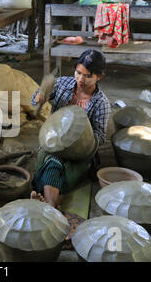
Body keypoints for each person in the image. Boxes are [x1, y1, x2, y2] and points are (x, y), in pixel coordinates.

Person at [30, 49, 111, 210]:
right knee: (52, 159)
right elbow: (35, 101)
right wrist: (39, 96)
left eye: (87, 76)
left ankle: (48, 204)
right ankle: (54, 202)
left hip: (80, 154)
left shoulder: (101, 103)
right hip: (54, 143)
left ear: (99, 76)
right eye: (78, 72)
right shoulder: (62, 84)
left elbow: (100, 136)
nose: (81, 79)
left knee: (52, 164)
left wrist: (81, 140)